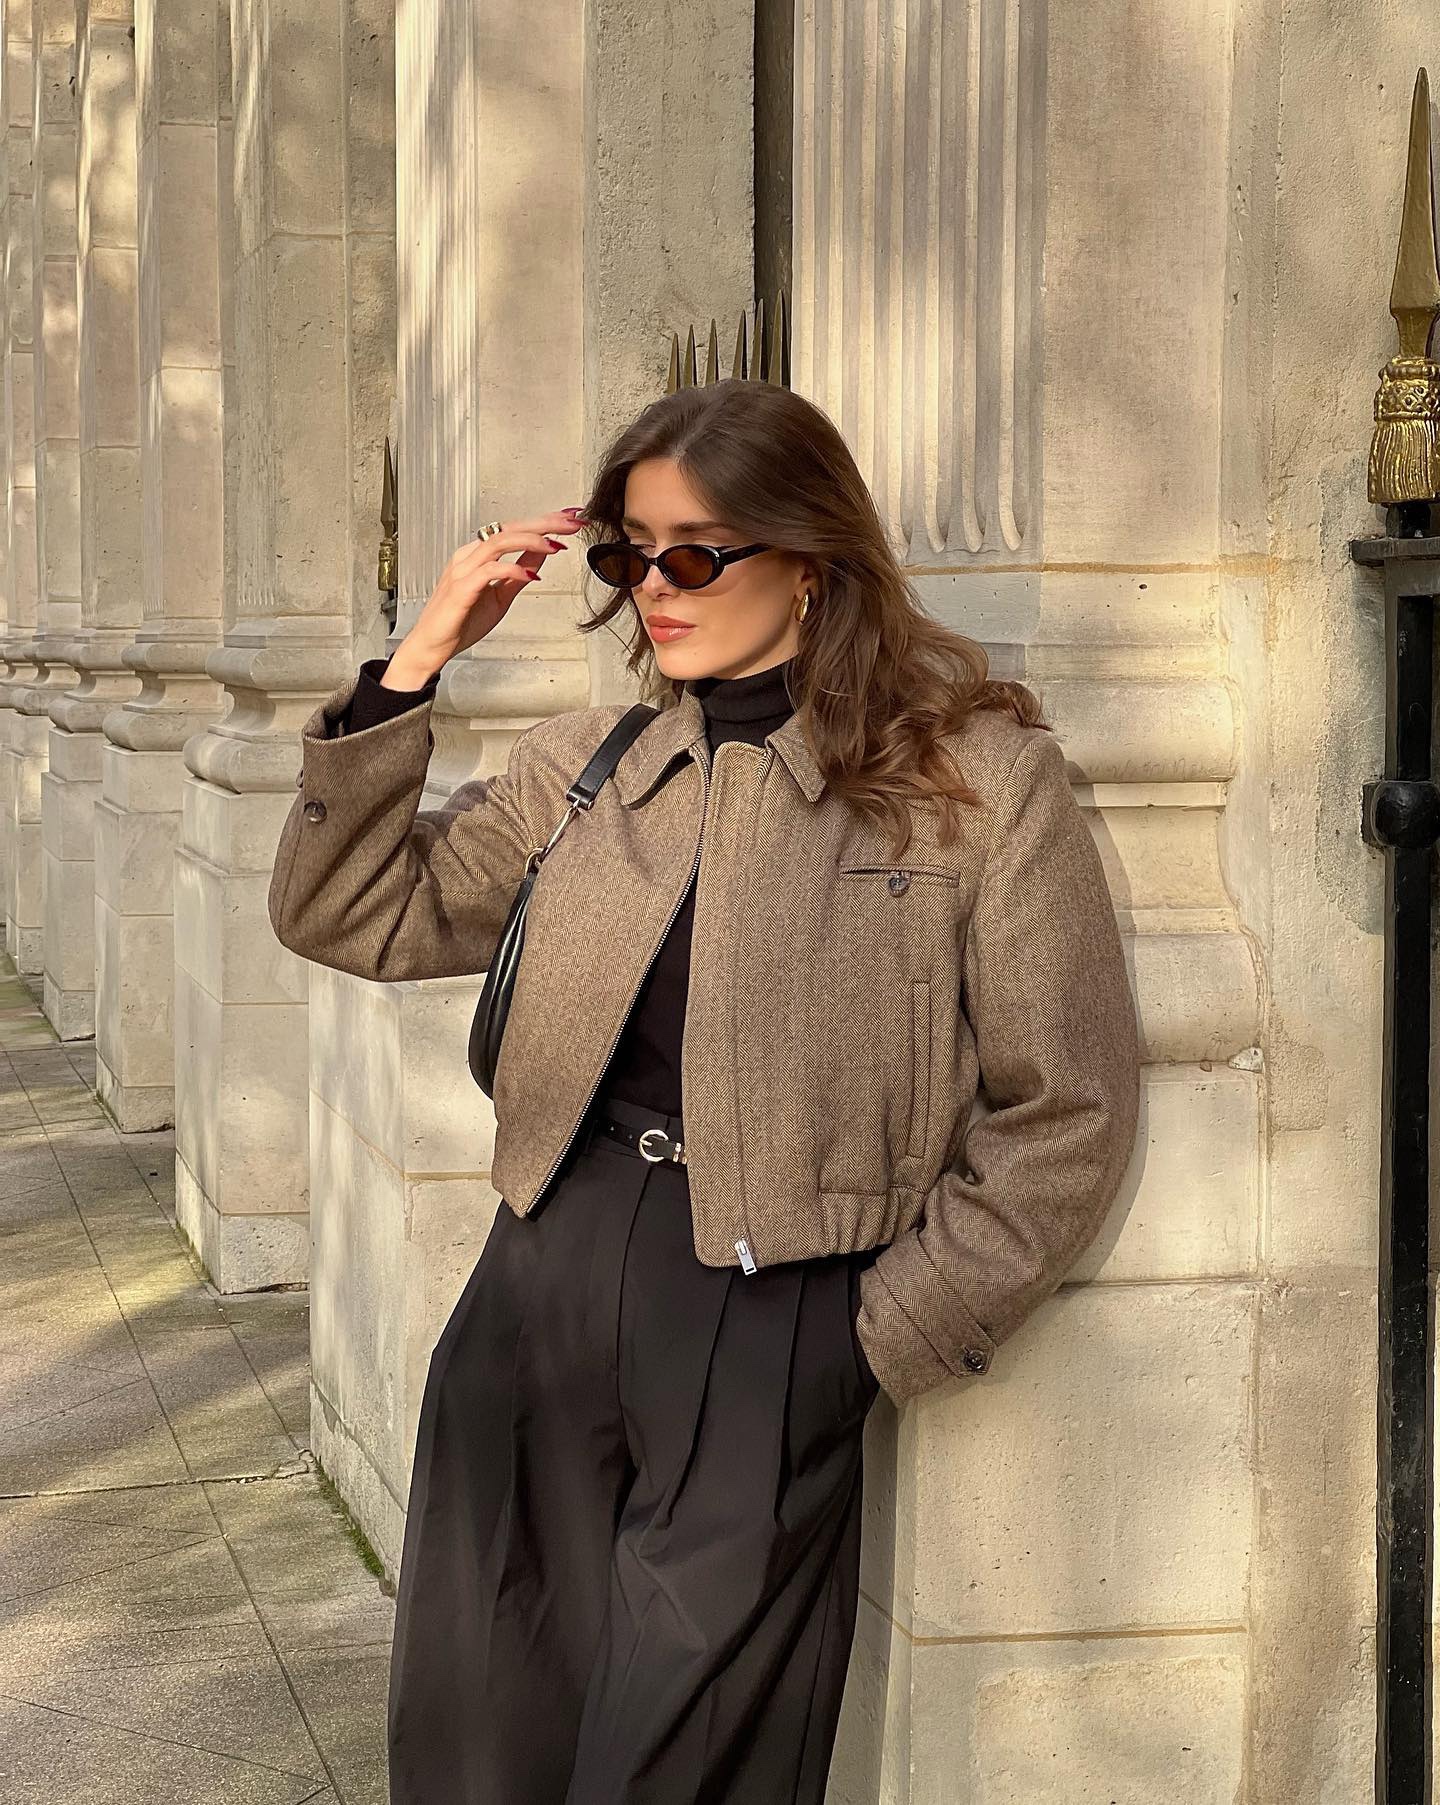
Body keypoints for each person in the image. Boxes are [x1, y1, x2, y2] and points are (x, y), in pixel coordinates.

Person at [266, 378, 1141, 1804]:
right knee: (484, 1741)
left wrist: (879, 1334)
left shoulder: (973, 784)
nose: (653, 590)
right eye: (629, 555)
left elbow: (1068, 1104)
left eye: (694, 554)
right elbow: (348, 909)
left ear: (812, 558)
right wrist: (416, 663)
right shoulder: (586, 770)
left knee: (690, 1759)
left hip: (774, 1310)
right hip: (543, 1280)